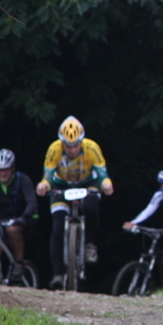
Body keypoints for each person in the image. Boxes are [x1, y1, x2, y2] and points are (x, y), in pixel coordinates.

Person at [36, 116, 114, 288]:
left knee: (91, 207)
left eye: (76, 145)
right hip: (61, 185)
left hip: (87, 183)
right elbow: (47, 175)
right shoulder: (54, 149)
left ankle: (89, 244)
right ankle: (57, 274)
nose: (72, 150)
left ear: (81, 141)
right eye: (68, 146)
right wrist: (43, 185)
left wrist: (106, 184)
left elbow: (102, 172)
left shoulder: (91, 147)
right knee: (57, 225)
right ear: (62, 142)